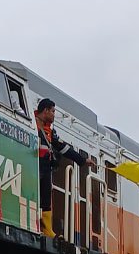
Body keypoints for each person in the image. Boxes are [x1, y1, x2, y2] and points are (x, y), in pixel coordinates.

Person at [34, 98, 96, 238]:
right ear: (46, 110)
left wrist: (82, 160)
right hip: (34, 164)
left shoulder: (49, 130)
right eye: (53, 111)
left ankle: (47, 229)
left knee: (46, 197)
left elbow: (62, 147)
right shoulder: (32, 123)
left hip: (45, 166)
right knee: (35, 193)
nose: (54, 115)